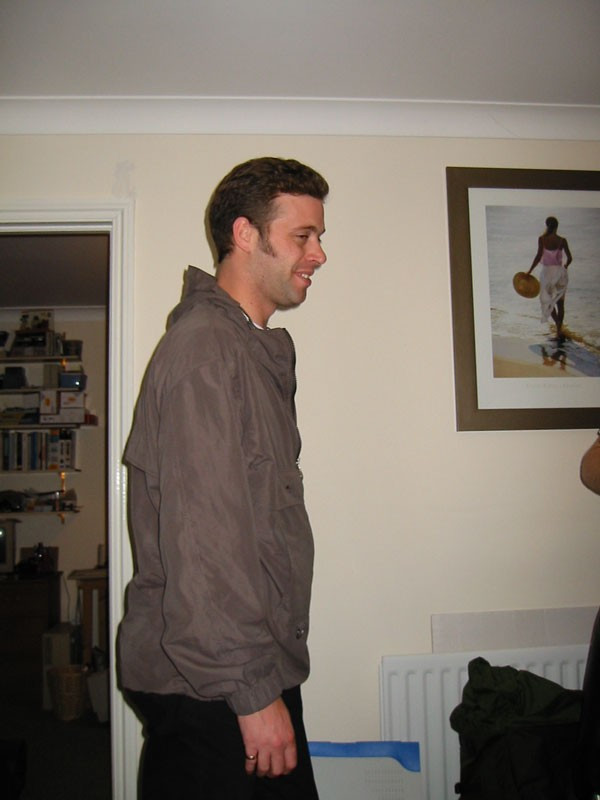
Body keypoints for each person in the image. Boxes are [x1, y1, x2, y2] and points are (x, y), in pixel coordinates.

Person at [117, 157, 329, 799]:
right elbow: (206, 542)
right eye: (303, 236)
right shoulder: (208, 351)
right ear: (245, 234)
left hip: (235, 672)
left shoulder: (246, 349)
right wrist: (251, 692)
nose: (319, 255)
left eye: (319, 238)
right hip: (214, 685)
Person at [527, 216, 573, 340]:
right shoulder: (562, 240)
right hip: (560, 273)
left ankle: (557, 325)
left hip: (547, 273)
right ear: (557, 226)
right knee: (560, 304)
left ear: (547, 225)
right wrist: (566, 266)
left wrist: (530, 271)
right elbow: (570, 258)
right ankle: (559, 330)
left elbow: (538, 257)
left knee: (547, 302)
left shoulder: (542, 239)